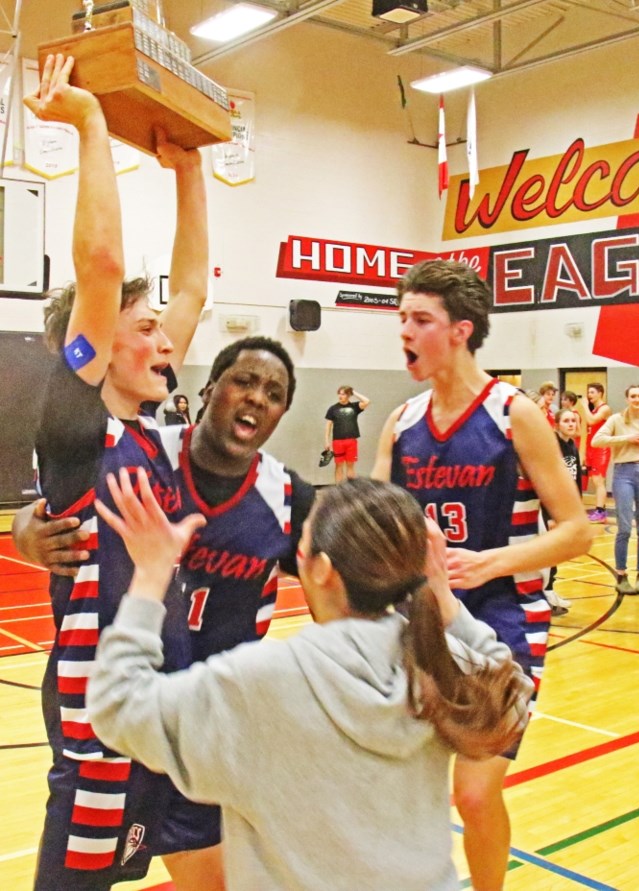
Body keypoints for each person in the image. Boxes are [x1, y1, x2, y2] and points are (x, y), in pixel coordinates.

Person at [86, 473, 533, 891]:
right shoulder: (437, 662)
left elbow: (117, 706)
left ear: (319, 570)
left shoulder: (259, 682)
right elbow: (511, 692)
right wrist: (444, 597)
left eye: (301, 545)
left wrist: (150, 574)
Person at [15, 336, 316, 886]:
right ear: (208, 390)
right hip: (121, 717)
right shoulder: (145, 453)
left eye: (273, 393)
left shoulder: (286, 497)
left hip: (205, 729)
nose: (255, 398)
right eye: (243, 381)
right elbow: (59, 500)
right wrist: (25, 531)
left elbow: (341, 597)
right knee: (81, 875)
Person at [19, 53, 213, 891]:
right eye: (144, 327)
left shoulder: (159, 417)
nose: (165, 340)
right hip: (101, 706)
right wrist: (92, 124)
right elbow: (99, 269)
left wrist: (190, 169)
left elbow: (196, 288)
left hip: (167, 697)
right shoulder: (77, 414)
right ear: (94, 344)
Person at [372, 258, 591, 891]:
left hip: (504, 620)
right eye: (402, 318)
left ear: (461, 330)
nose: (405, 332)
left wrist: (487, 563)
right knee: (401, 785)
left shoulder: (513, 414)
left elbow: (577, 530)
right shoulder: (402, 423)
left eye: (420, 320)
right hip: (421, 621)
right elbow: (374, 525)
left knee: (473, 793)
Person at [592, 385, 639, 595]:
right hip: (623, 473)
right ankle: (621, 575)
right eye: (633, 396)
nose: (637, 399)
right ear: (627, 398)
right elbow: (596, 440)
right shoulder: (617, 419)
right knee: (625, 527)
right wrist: (626, 438)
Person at [543, 408, 583, 616]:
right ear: (557, 424)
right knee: (548, 551)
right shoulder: (553, 446)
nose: (570, 424)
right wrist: (549, 515)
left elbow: (575, 480)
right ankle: (545, 593)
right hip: (551, 507)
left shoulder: (572, 446)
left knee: (557, 551)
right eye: (566, 421)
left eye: (573, 421)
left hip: (565, 507)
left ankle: (550, 589)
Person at [324, 385, 370, 482]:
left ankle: (350, 491)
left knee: (350, 466)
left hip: (351, 441)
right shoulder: (333, 409)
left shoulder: (354, 407)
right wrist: (326, 441)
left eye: (343, 394)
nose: (340, 396)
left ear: (349, 395)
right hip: (338, 441)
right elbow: (328, 425)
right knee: (338, 466)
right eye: (339, 394)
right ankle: (338, 490)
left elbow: (367, 401)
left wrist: (354, 392)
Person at [584, 382, 613, 522]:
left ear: (600, 393)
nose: (589, 395)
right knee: (595, 481)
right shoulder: (594, 409)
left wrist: (583, 406)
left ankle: (600, 511)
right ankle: (601, 509)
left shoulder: (605, 408)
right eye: (588, 392)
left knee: (598, 480)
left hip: (601, 449)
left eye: (592, 392)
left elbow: (591, 421)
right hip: (591, 448)